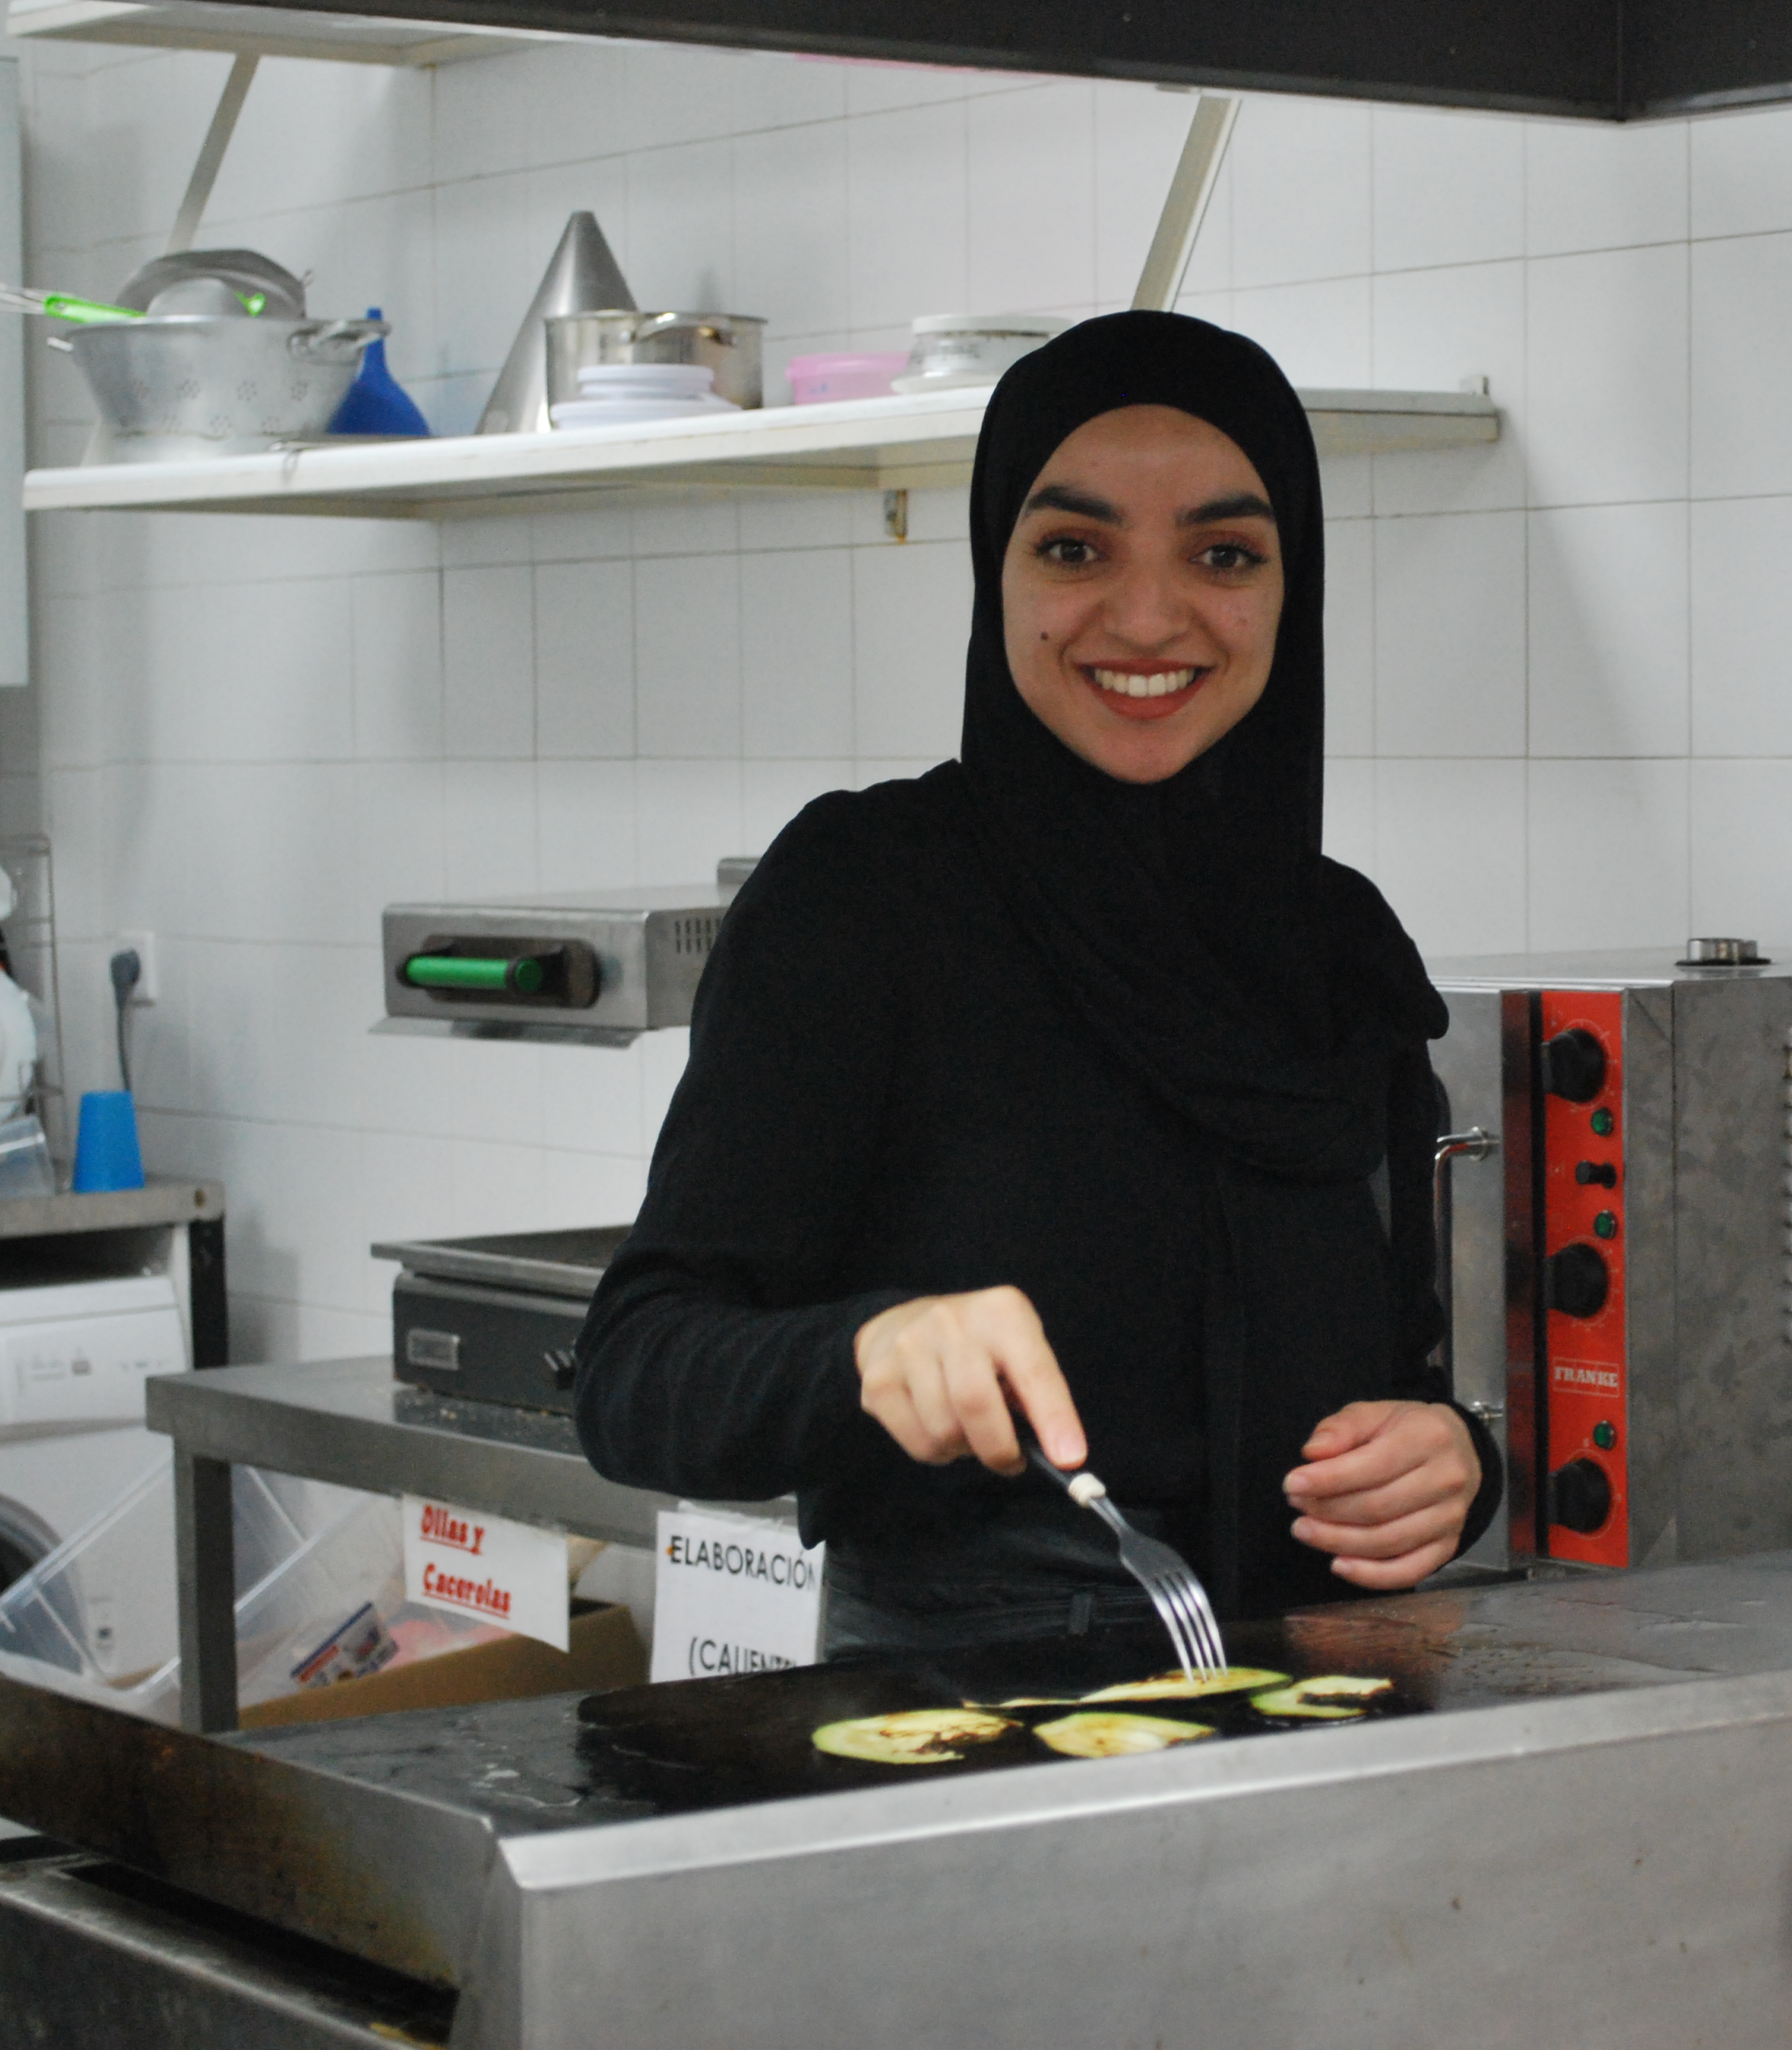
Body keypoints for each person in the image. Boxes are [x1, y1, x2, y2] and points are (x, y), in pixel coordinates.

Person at [574, 311, 1502, 1655]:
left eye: (1223, 553)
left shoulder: (1337, 940)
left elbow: (1415, 1371)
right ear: (994, 571)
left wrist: (1455, 1462)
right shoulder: (867, 895)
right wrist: (864, 1352)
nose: (1146, 615)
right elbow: (635, 1374)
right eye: (1075, 548)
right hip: (963, 1731)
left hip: (1328, 1716)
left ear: (1287, 589)